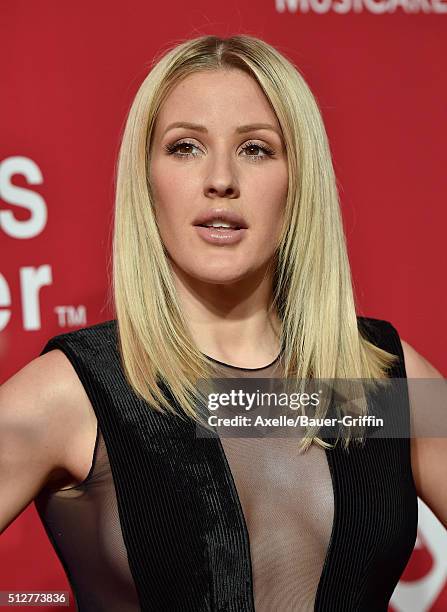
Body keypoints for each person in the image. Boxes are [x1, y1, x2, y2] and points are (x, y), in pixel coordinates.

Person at [0, 34, 445, 612]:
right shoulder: (73, 394)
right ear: (146, 179)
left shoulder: (380, 381)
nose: (220, 179)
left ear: (299, 181)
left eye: (257, 149)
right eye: (185, 147)